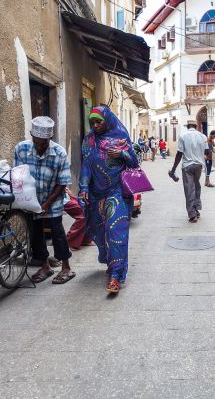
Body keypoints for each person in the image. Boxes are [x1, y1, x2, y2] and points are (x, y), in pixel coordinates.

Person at [79, 105, 139, 294]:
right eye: (93, 122)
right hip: (96, 195)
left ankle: (115, 275)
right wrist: (83, 187)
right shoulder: (89, 140)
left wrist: (122, 154)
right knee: (101, 229)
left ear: (107, 120)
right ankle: (111, 261)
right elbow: (86, 165)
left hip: (117, 192)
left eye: (99, 121)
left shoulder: (121, 138)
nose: (96, 125)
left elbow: (134, 163)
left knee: (115, 231)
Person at [14, 116, 75, 284]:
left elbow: (62, 182)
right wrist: (23, 199)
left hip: (53, 198)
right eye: (37, 142)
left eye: (44, 143)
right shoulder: (21, 149)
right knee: (35, 232)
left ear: (50, 138)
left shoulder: (59, 153)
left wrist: (47, 204)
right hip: (30, 199)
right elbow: (18, 175)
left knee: (57, 231)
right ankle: (45, 265)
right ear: (32, 136)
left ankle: (66, 267)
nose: (40, 146)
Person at [168, 121, 209, 223]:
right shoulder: (203, 136)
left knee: (189, 189)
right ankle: (196, 209)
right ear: (196, 126)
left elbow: (179, 154)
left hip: (187, 166)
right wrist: (200, 158)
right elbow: (207, 152)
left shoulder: (183, 136)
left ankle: (192, 214)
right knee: (196, 186)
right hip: (198, 166)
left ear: (187, 127)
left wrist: (173, 169)